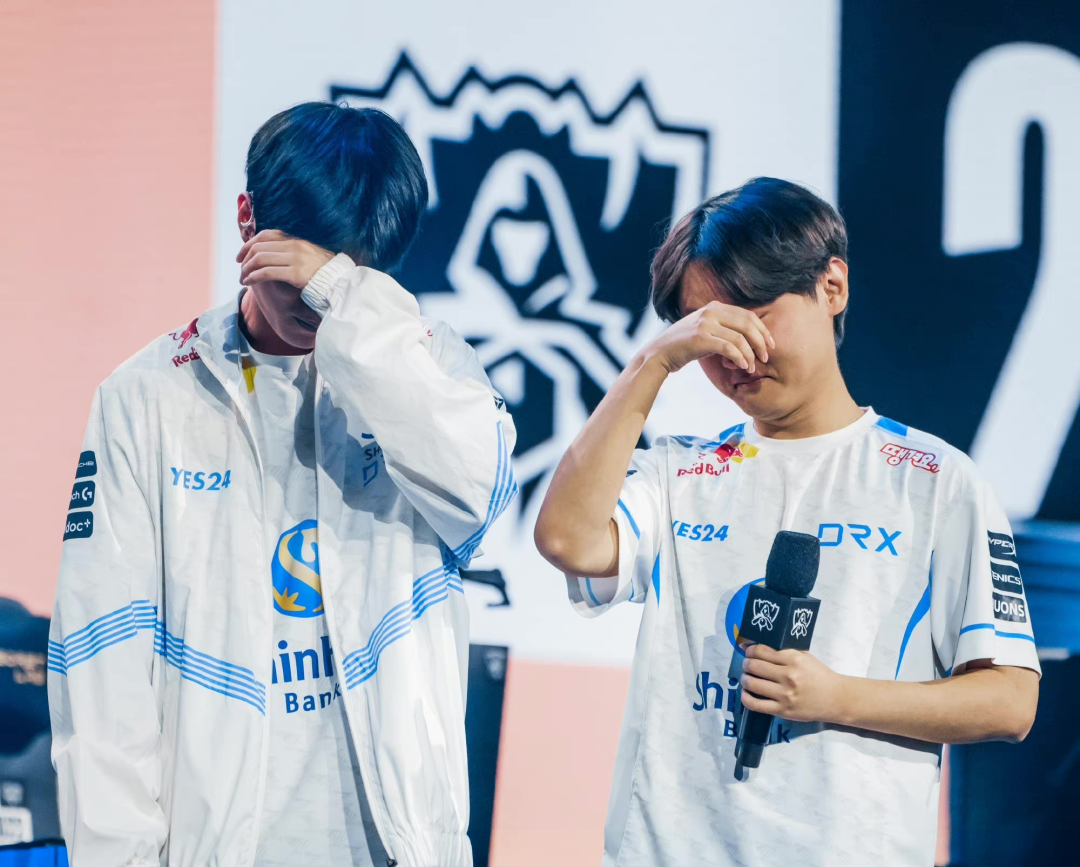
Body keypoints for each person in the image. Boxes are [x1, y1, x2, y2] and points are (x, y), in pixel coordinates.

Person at [48, 102, 517, 867]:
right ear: (247, 222)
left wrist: (351, 307)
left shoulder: (428, 367)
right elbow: (102, 660)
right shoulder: (146, 397)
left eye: (349, 275)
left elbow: (481, 496)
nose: (318, 298)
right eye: (305, 271)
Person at [534, 177, 1039, 867]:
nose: (734, 354)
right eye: (706, 332)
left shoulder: (934, 480)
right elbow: (566, 539)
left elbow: (1011, 701)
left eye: (754, 314)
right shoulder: (680, 472)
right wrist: (652, 362)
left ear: (832, 287)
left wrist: (837, 697)